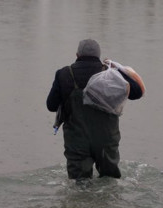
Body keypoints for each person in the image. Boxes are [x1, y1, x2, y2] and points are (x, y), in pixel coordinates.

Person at [46, 39, 143, 179]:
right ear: (99, 56)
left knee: (78, 186)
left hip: (77, 140)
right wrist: (118, 69)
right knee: (110, 182)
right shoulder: (111, 74)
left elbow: (51, 106)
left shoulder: (64, 74)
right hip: (107, 139)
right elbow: (137, 93)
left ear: (77, 55)